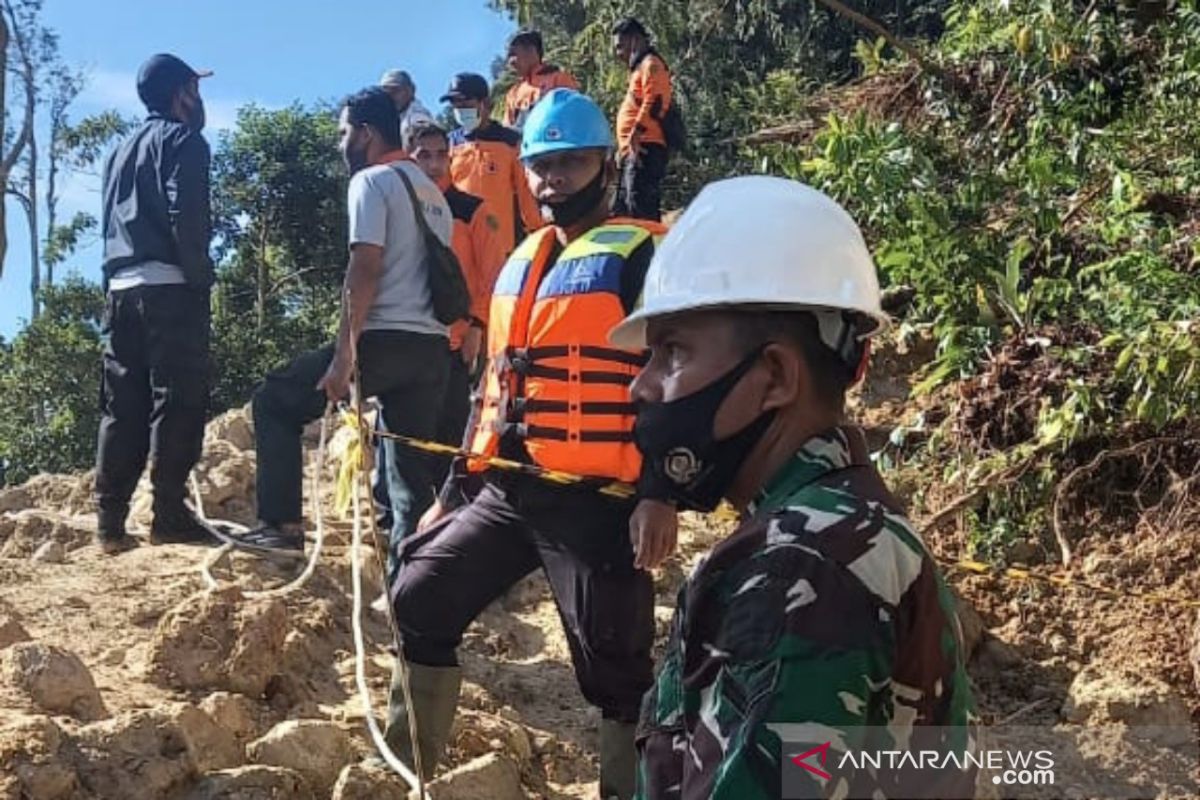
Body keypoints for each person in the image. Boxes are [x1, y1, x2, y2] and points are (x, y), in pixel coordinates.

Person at [608, 176, 976, 799]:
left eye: (672, 353)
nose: (640, 387)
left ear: (775, 375)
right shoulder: (841, 523)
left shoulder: (798, 565)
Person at [385, 90, 677, 800]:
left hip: (597, 501)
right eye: (542, 167)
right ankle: (404, 771)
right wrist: (451, 496)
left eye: (571, 165)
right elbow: (493, 390)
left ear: (605, 167)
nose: (552, 182)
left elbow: (675, 383)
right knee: (417, 597)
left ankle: (629, 788)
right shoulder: (520, 260)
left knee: (615, 667)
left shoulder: (643, 256)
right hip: (505, 491)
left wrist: (661, 494)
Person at [237, 87, 452, 558]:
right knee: (408, 487)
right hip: (432, 349)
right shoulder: (433, 192)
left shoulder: (372, 182)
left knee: (275, 401)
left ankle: (280, 524)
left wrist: (343, 357)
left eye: (343, 133)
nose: (340, 144)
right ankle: (411, 598)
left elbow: (366, 267)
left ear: (367, 133)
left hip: (384, 341)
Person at [94, 53, 216, 555]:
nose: (199, 97)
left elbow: (108, 226)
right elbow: (185, 214)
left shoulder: (118, 151)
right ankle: (168, 514)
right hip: (169, 286)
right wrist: (199, 277)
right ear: (182, 92)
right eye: (195, 87)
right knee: (179, 397)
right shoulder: (185, 141)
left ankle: (110, 522)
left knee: (121, 406)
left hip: (119, 290)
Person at [442, 72, 542, 259]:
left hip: (501, 246)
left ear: (485, 103)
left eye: (465, 104)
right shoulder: (449, 145)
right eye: (455, 105)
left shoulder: (510, 142)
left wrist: (537, 232)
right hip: (462, 245)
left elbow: (526, 192)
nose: (460, 110)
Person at [612, 17, 673, 222]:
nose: (618, 53)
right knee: (626, 210)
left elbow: (655, 99)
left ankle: (650, 253)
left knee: (641, 211)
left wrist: (636, 132)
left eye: (620, 46)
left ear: (635, 40)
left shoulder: (651, 64)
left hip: (645, 148)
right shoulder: (639, 69)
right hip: (634, 150)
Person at [503, 28, 579, 131]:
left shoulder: (558, 78)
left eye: (513, 54)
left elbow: (574, 115)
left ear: (531, 51)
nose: (511, 62)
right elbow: (507, 132)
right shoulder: (513, 94)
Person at [379, 69, 435, 146]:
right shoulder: (396, 117)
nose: (390, 97)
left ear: (411, 91)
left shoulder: (417, 118)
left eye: (395, 91)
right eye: (386, 93)